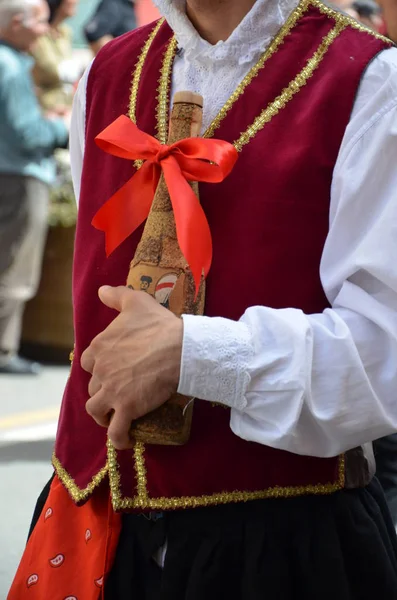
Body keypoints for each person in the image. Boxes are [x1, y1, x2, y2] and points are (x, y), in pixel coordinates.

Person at [9, 0, 397, 597]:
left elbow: (385, 355)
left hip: (280, 544)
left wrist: (195, 356)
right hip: (97, 518)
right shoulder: (106, 74)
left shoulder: (369, 82)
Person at [0, 0, 69, 376]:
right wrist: (64, 126)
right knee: (15, 268)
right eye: (40, 22)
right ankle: (3, 350)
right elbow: (28, 133)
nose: (45, 30)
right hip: (19, 176)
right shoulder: (9, 67)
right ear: (15, 23)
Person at [31, 0, 79, 112]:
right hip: (45, 108)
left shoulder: (66, 32)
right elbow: (49, 70)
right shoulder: (37, 35)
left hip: (69, 106)